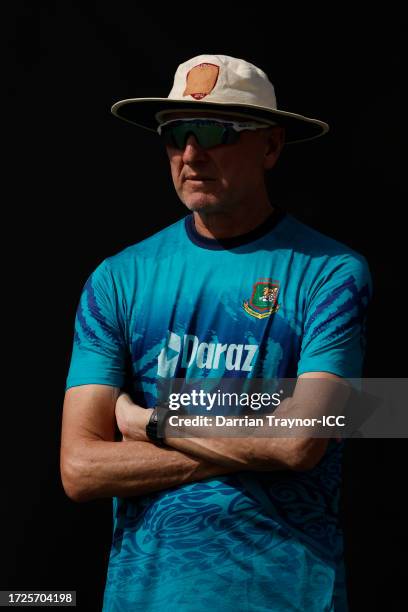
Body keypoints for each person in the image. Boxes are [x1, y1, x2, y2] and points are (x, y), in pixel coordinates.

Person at [61, 54, 372, 611]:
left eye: (214, 131)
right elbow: (80, 469)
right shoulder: (117, 278)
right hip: (144, 598)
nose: (190, 153)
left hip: (286, 596)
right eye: (175, 134)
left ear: (272, 146)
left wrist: (151, 421)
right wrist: (262, 440)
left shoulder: (331, 272)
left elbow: (303, 439)